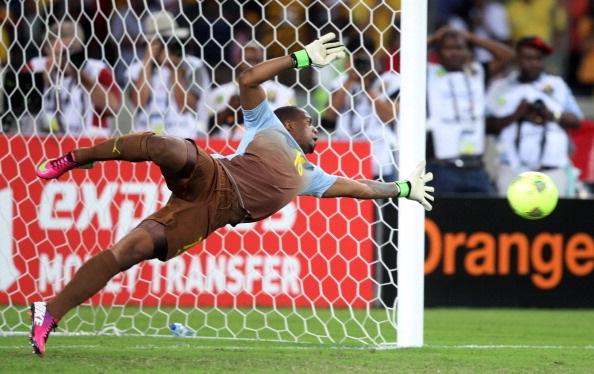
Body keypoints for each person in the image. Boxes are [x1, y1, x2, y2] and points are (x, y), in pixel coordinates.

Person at [28, 32, 434, 356]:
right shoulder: (265, 124)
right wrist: (302, 58)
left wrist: (403, 189)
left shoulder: (312, 176)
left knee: (132, 249)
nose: (316, 128)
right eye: (310, 122)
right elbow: (248, 79)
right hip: (215, 174)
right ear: (290, 125)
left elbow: (362, 189)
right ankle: (78, 156)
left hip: (213, 214)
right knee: (167, 146)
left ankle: (50, 312)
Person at [485, 36, 583, 197]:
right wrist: (517, 114)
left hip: (552, 171)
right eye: (528, 58)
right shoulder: (500, 88)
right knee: (510, 221)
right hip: (512, 170)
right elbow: (486, 126)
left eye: (539, 59)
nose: (534, 63)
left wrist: (550, 115)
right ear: (517, 60)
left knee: (556, 221)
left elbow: (576, 121)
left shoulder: (557, 85)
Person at [426, 27, 514, 194]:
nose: (455, 53)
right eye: (448, 48)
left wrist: (472, 37)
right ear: (438, 51)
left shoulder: (477, 73)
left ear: (467, 51)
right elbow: (405, 56)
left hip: (476, 169)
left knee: (484, 218)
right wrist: (434, 38)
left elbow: (508, 56)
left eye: (459, 48)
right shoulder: (428, 73)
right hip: (441, 169)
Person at [22, 20, 122, 136]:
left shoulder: (97, 69)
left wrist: (79, 74)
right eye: (57, 53)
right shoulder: (35, 67)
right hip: (41, 140)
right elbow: (19, 106)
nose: (63, 58)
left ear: (79, 49)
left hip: (88, 141)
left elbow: (113, 107)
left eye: (68, 52)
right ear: (46, 49)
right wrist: (41, 80)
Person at [325, 35, 400, 182]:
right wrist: (350, 79)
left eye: (364, 59)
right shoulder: (339, 83)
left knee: (381, 201)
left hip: (379, 156)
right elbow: (330, 115)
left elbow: (390, 116)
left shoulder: (391, 81)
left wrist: (366, 86)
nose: (361, 64)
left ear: (375, 57)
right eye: (356, 59)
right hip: (346, 155)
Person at [127, 10, 210, 138]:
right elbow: (138, 102)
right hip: (145, 134)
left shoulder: (193, 66)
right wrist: (147, 62)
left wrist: (174, 68)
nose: (168, 46)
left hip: (184, 135)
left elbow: (185, 106)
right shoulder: (135, 70)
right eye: (164, 42)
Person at [206, 40, 296, 139]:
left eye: (256, 60)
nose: (251, 65)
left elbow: (289, 128)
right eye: (247, 60)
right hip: (224, 147)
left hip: (266, 147)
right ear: (237, 61)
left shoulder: (284, 92)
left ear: (265, 62)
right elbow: (207, 129)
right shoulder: (218, 92)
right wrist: (228, 109)